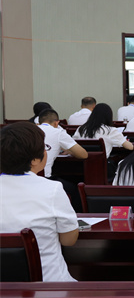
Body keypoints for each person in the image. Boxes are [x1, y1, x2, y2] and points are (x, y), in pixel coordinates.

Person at [0, 122, 79, 282]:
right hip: (49, 286)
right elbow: (69, 240)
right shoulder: (52, 189)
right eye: (45, 148)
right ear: (35, 160)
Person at [37, 108, 87, 179]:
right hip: (44, 177)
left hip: (24, 176)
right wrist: (69, 151)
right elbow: (83, 155)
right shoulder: (58, 132)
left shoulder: (29, 130)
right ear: (56, 123)